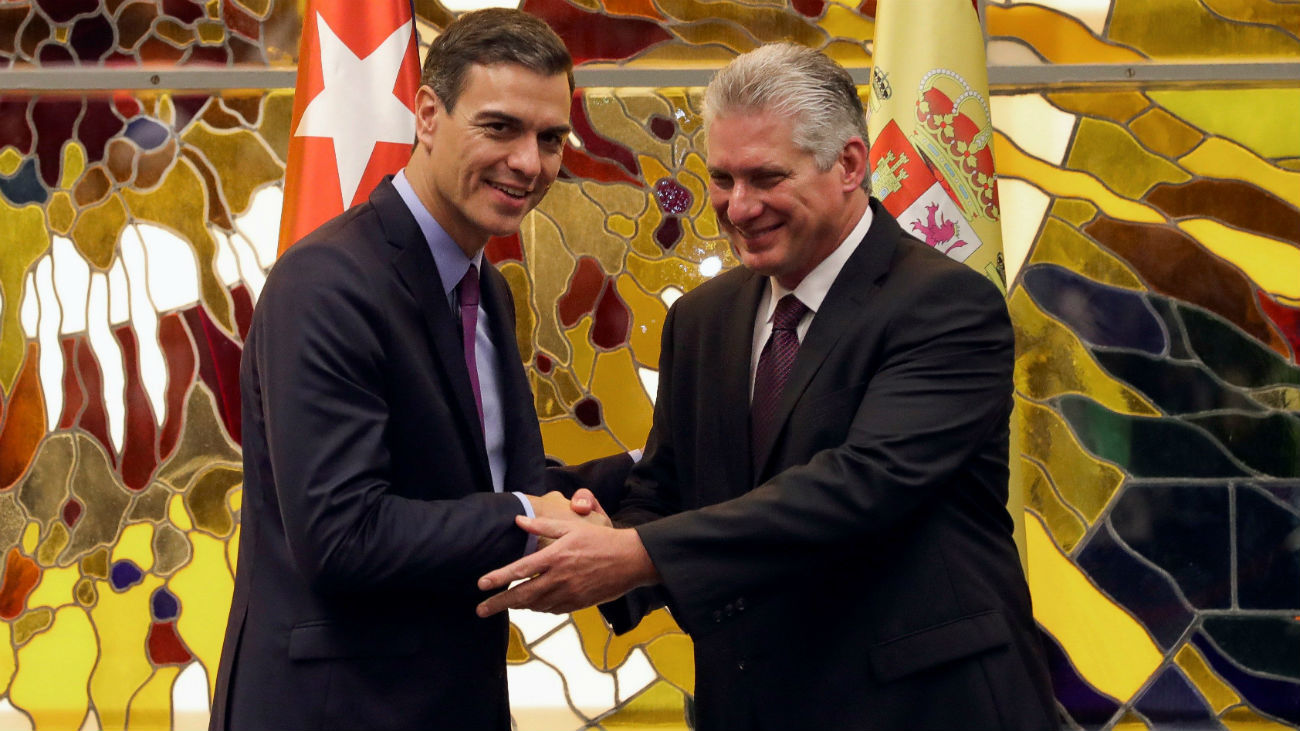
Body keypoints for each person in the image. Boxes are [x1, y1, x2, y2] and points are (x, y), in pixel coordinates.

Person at [477, 43, 1057, 730]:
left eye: (765, 177)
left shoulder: (944, 305)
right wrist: (600, 536)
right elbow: (668, 484)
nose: (739, 206)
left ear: (848, 164)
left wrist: (636, 555)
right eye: (722, 178)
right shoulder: (703, 317)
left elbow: (859, 485)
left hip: (924, 705)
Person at [210, 10, 628, 731]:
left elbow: (476, 488)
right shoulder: (329, 283)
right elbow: (344, 535)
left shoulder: (484, 284)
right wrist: (528, 523)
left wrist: (630, 486)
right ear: (428, 115)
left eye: (551, 138)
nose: (530, 162)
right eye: (500, 128)